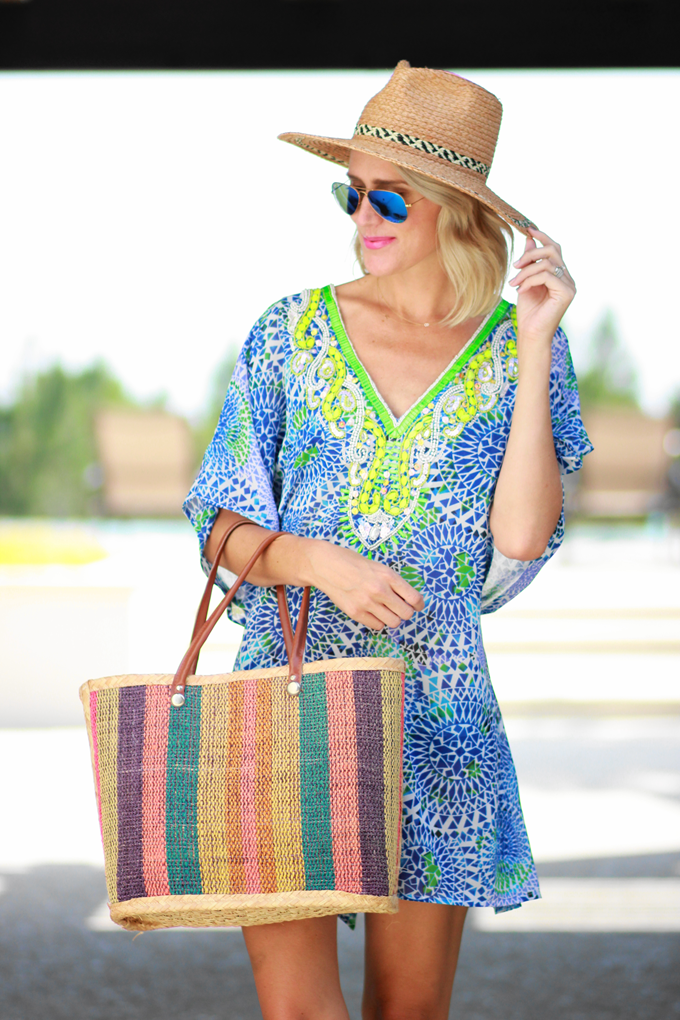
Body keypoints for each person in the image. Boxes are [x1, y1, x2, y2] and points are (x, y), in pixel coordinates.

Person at [184, 61, 591, 1020]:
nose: (362, 216)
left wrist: (536, 343)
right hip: (286, 704)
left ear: (457, 211)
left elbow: (522, 534)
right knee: (299, 1012)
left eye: (389, 198)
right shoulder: (290, 332)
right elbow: (218, 527)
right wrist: (317, 563)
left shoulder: (517, 347)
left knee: (409, 1014)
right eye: (352, 193)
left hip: (437, 718)